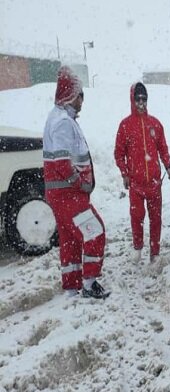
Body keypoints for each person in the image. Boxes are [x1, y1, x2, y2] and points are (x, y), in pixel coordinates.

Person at [43, 65, 109, 299]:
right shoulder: (62, 122)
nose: (83, 100)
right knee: (95, 232)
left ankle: (72, 288)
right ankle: (90, 284)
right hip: (68, 194)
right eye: (81, 94)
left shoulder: (61, 118)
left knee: (70, 240)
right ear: (71, 94)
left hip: (62, 196)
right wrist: (80, 183)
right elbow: (62, 163)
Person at [114, 82, 170, 264]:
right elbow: (119, 153)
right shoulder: (125, 126)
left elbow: (163, 148)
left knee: (156, 219)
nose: (141, 102)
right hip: (136, 184)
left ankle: (155, 252)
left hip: (155, 183)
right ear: (132, 100)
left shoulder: (155, 124)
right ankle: (138, 247)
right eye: (138, 99)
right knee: (137, 217)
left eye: (144, 99)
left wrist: (168, 166)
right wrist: (125, 173)